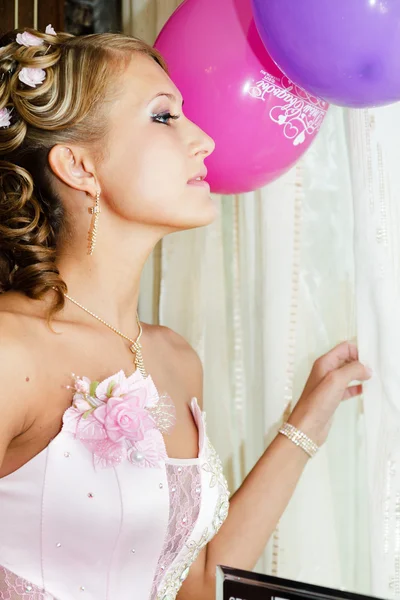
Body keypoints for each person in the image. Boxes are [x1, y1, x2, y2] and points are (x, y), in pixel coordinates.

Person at [0, 25, 371, 600]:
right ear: (79, 166)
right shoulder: (9, 348)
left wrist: (309, 419)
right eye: (164, 116)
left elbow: (196, 584)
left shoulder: (175, 359)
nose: (205, 141)